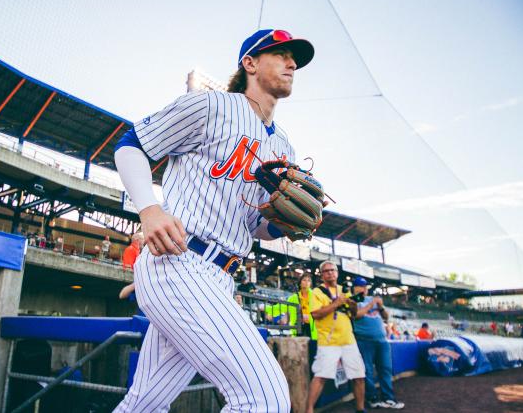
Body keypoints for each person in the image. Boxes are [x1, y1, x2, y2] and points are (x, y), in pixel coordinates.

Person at [112, 28, 318, 412]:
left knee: (144, 405)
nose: (292, 64)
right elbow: (130, 145)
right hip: (180, 261)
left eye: (295, 59)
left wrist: (281, 225)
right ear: (250, 63)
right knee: (265, 399)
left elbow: (256, 224)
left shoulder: (284, 146)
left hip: (219, 276)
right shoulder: (211, 106)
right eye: (281, 54)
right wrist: (150, 208)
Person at [306, 261, 365, 413]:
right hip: (328, 342)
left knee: (359, 375)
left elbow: (354, 315)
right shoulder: (317, 292)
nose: (330, 273)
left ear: (337, 273)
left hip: (348, 340)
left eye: (332, 270)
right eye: (326, 271)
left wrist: (352, 306)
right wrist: (336, 303)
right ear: (322, 275)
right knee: (320, 377)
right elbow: (315, 314)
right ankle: (309, 410)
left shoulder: (344, 290)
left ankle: (360, 409)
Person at [352, 277, 405, 409]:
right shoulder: (353, 300)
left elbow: (386, 317)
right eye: (360, 286)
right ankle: (372, 398)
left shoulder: (373, 300)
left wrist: (380, 306)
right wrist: (372, 304)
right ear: (354, 287)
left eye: (365, 286)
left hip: (381, 340)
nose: (363, 289)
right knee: (368, 371)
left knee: (386, 370)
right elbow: (357, 315)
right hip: (364, 341)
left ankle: (389, 398)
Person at [287, 273, 318, 364]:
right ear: (300, 283)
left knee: (311, 354)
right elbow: (282, 307)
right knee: (298, 354)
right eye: (304, 280)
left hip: (312, 330)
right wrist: (266, 309)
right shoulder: (293, 297)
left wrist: (310, 316)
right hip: (298, 328)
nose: (306, 282)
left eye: (309, 280)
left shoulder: (315, 296)